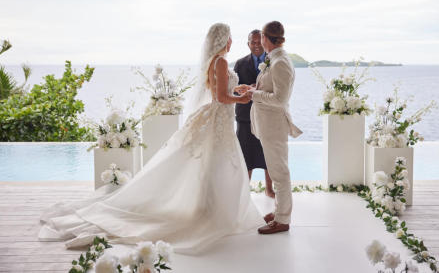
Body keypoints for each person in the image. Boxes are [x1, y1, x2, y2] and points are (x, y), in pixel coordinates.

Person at [38, 23, 264, 254]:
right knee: (217, 165)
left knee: (213, 165)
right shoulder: (222, 61)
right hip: (220, 120)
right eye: (229, 37)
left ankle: (209, 208)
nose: (231, 41)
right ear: (222, 39)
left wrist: (238, 89)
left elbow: (220, 89)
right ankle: (212, 212)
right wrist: (241, 99)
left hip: (218, 120)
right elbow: (220, 97)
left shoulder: (214, 61)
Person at [244, 21, 303, 234]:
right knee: (278, 171)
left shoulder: (280, 63)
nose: (259, 41)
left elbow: (280, 99)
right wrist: (253, 87)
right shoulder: (273, 60)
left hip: (274, 126)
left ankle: (283, 220)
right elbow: (270, 88)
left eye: (261, 37)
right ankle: (279, 212)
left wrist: (254, 95)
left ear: (267, 39)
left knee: (279, 173)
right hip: (266, 125)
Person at [233, 29, 275, 198]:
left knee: (269, 155)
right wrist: (245, 89)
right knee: (245, 155)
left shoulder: (273, 61)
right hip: (245, 116)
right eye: (253, 42)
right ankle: (245, 191)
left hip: (268, 114)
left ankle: (269, 189)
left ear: (264, 42)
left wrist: (258, 89)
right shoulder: (240, 63)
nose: (256, 45)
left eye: (259, 42)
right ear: (248, 43)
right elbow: (233, 90)